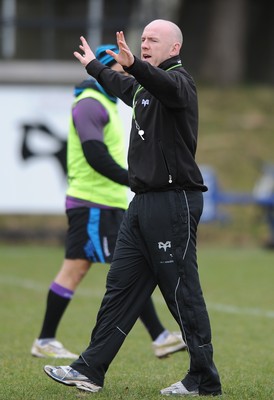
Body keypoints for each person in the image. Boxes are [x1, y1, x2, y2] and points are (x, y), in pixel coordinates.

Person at [44, 19, 222, 397]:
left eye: (153, 40)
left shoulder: (179, 83)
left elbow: (158, 85)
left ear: (174, 48)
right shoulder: (144, 86)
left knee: (181, 292)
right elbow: (126, 85)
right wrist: (96, 66)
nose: (145, 44)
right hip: (141, 205)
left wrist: (136, 66)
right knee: (120, 289)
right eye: (143, 39)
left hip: (173, 203)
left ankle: (204, 379)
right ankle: (88, 370)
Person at [31, 44, 186, 360]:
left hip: (105, 203)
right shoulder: (89, 103)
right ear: (104, 70)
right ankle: (157, 337)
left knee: (107, 268)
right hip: (93, 204)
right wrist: (134, 179)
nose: (128, 74)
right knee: (103, 269)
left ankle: (47, 339)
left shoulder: (105, 102)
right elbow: (95, 155)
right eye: (121, 69)